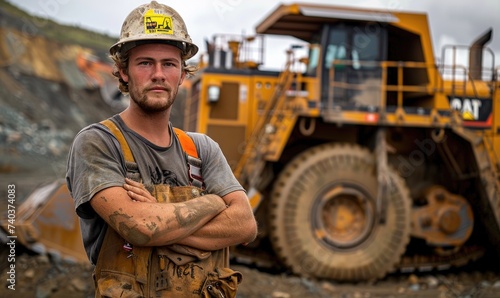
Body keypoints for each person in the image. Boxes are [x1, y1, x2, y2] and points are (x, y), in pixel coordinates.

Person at [65, 1, 258, 297]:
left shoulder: (202, 148)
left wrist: (159, 216)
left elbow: (245, 225)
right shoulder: (99, 143)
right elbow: (139, 228)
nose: (158, 74)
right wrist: (213, 204)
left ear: (182, 75)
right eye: (145, 63)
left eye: (169, 63)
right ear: (123, 72)